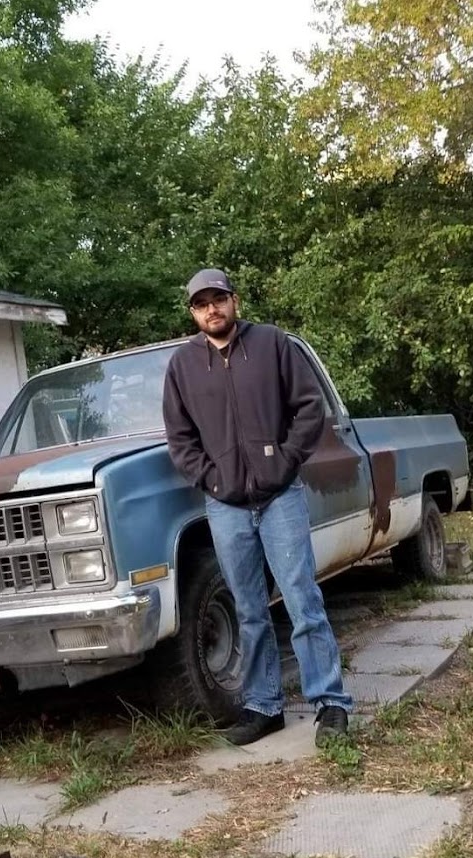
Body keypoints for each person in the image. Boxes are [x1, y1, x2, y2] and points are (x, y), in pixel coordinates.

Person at [162, 268, 353, 747]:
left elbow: (310, 408)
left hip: (279, 496)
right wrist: (212, 478)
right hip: (225, 505)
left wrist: (283, 463)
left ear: (234, 301)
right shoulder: (183, 366)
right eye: (201, 303)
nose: (212, 309)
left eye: (219, 299)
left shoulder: (271, 344)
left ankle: (330, 703)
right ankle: (264, 706)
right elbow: (180, 438)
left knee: (302, 599)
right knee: (248, 609)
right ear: (193, 312)